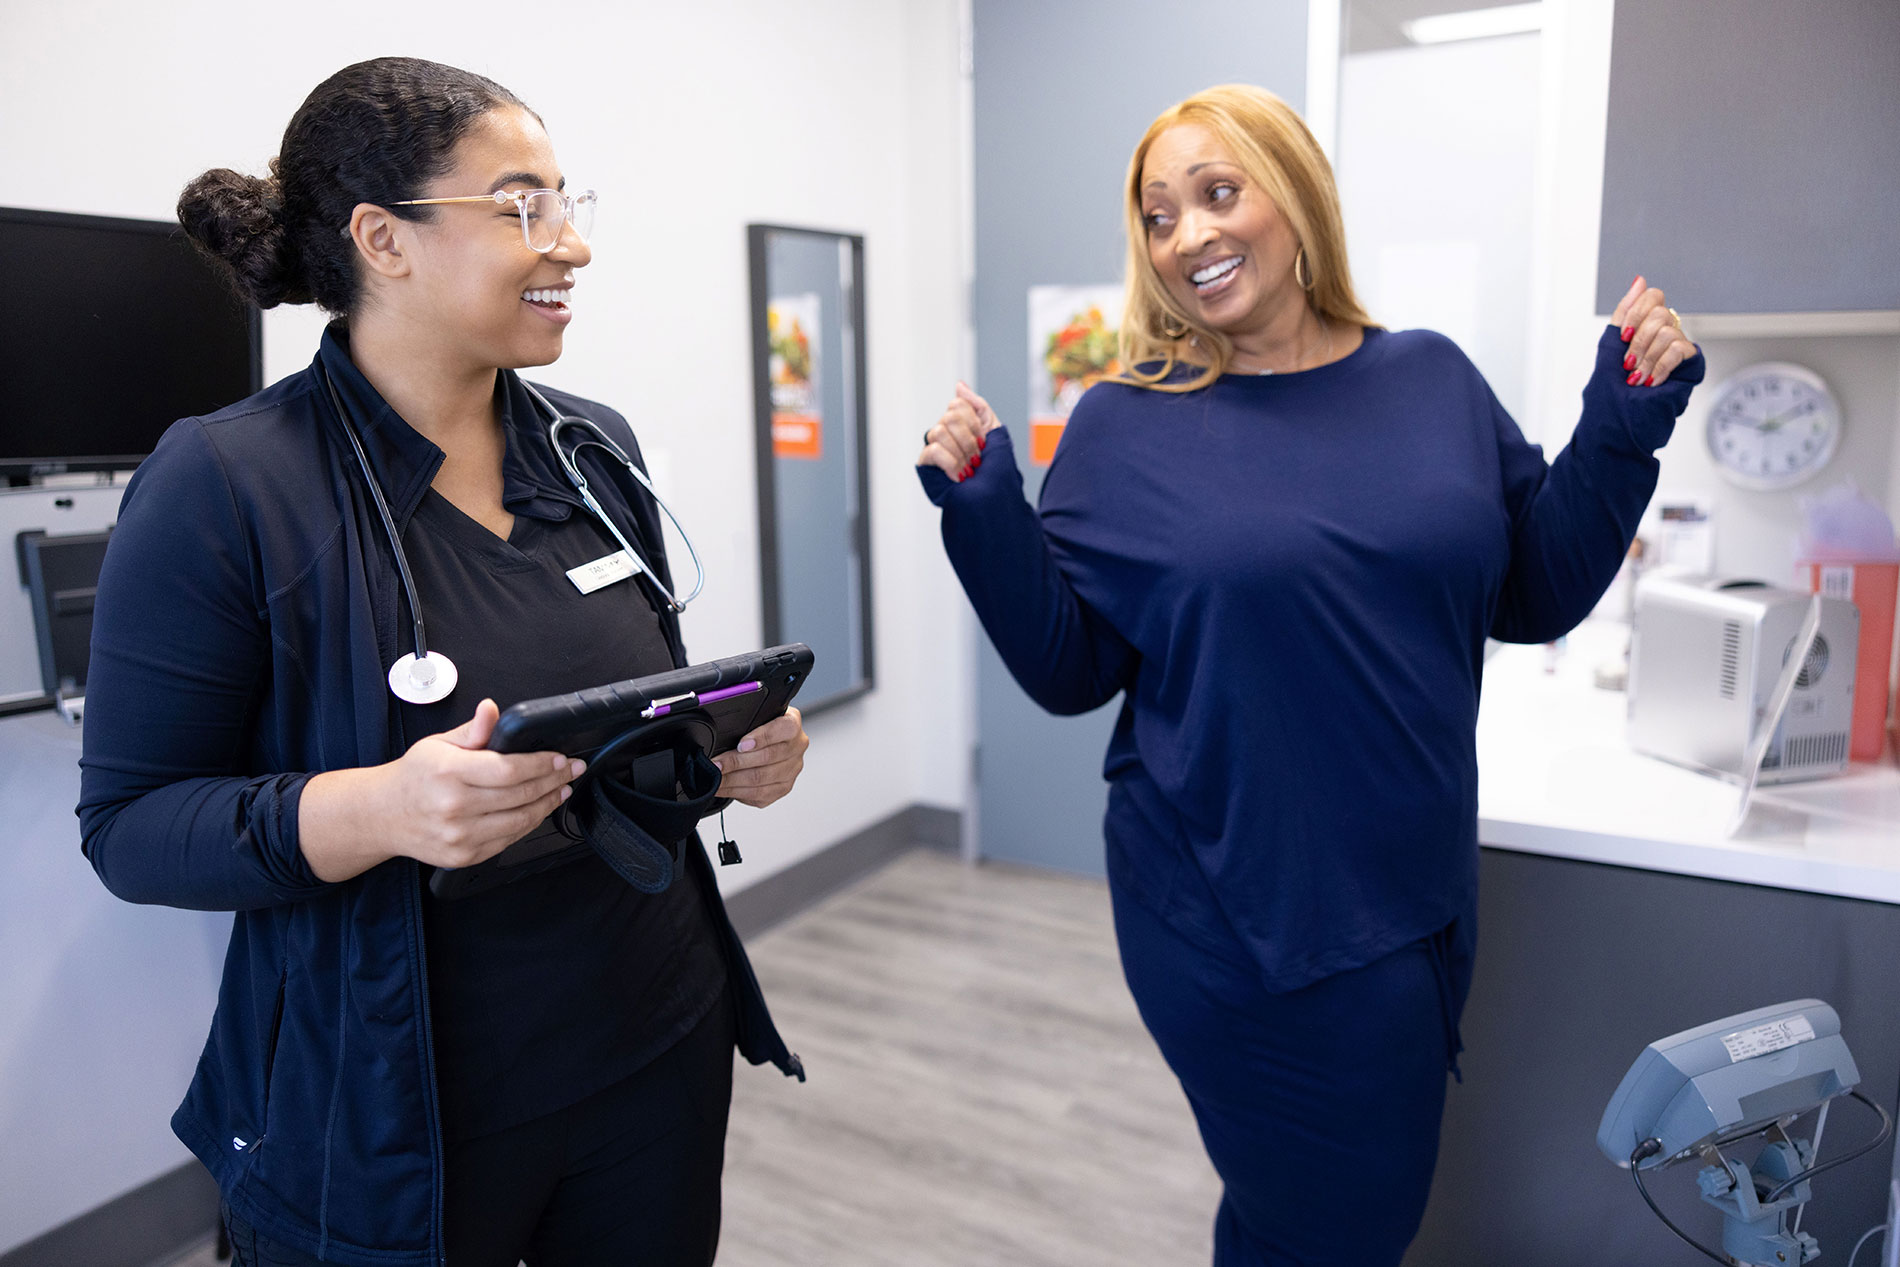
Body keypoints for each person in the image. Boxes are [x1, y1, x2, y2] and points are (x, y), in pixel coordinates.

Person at [916, 84, 1700, 1266]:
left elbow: (1532, 592)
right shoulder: (1125, 425)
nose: (1187, 235)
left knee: (1307, 1222)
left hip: (1416, 896)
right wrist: (983, 514)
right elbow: (1073, 669)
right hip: (1229, 908)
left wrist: (1622, 424)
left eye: (1217, 193)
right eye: (1159, 216)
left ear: (1295, 197)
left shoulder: (1432, 380)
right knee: (1333, 1226)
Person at [78, 57, 808, 1267]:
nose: (571, 243)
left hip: (654, 1045)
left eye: (567, 201)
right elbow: (133, 828)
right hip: (392, 1107)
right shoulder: (227, 483)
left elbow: (631, 728)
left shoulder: (590, 448)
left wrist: (724, 751)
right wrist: (385, 807)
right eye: (523, 206)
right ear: (383, 240)